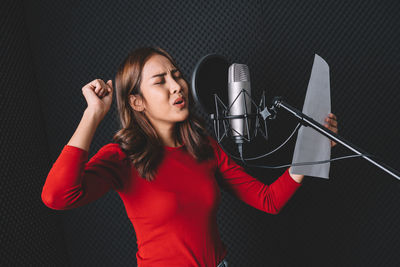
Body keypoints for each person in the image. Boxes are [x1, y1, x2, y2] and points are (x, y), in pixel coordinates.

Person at [41, 47, 338, 267]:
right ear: (137, 102)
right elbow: (57, 196)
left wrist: (311, 146)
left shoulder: (203, 146)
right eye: (160, 81)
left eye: (176, 75)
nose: (176, 86)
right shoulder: (122, 157)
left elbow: (268, 200)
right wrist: (93, 114)